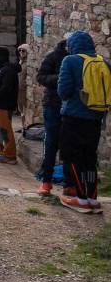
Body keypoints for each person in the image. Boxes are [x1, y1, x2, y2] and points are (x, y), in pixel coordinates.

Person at [55, 31, 107, 213]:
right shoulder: (103, 62)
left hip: (74, 117)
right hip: (96, 117)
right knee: (89, 157)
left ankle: (80, 198)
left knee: (73, 156)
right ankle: (92, 197)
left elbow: (63, 91)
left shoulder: (70, 61)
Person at [34, 38, 68, 195]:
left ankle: (69, 183)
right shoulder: (53, 56)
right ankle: (46, 181)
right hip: (53, 105)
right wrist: (61, 77)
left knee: (69, 145)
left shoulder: (80, 58)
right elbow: (41, 77)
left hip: (71, 107)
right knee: (51, 143)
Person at [0, 46, 20, 164]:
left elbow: (6, 88)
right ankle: (7, 152)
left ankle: (10, 155)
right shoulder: (3, 68)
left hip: (4, 105)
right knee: (4, 130)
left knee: (6, 130)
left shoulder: (8, 71)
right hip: (1, 104)